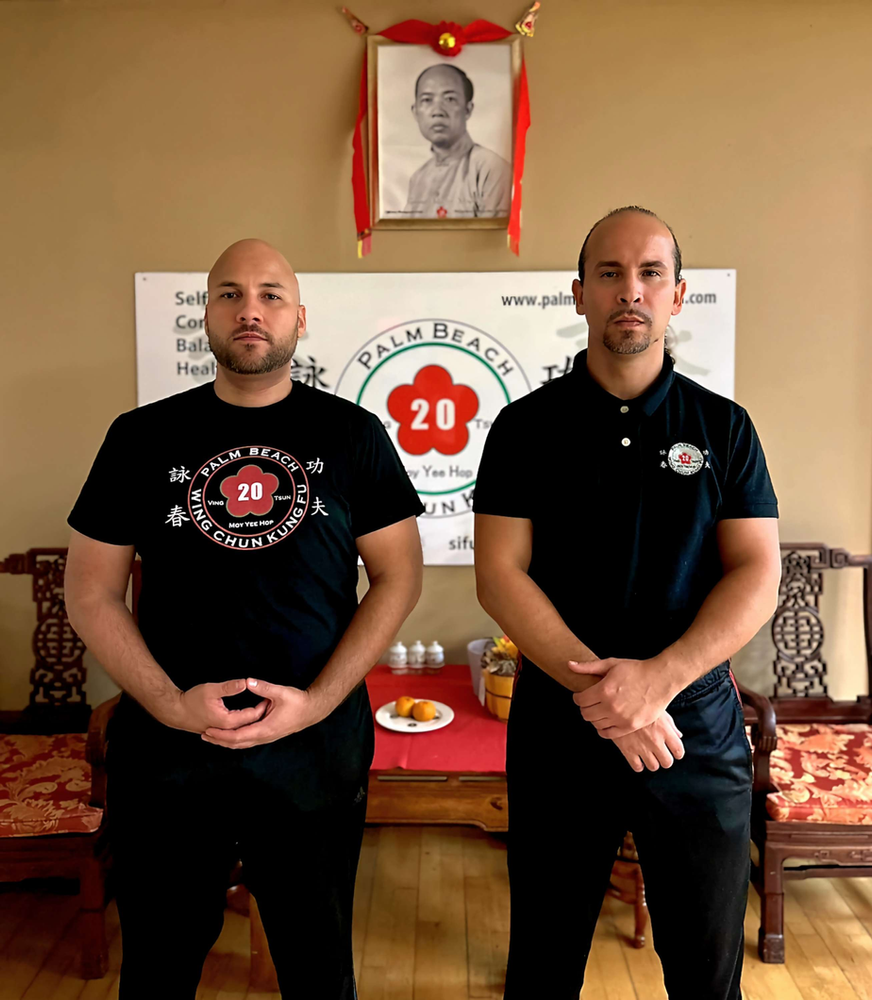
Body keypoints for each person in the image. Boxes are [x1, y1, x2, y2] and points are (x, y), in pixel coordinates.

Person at [65, 239, 424, 999]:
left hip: (313, 749)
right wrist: (169, 705)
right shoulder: (140, 436)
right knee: (157, 967)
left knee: (318, 968)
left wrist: (319, 703)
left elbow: (398, 578)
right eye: (229, 294)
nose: (249, 309)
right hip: (169, 753)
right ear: (207, 316)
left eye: (269, 294)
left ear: (299, 318)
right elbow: (90, 592)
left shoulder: (353, 436)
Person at [474, 206, 781, 1000]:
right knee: (542, 965)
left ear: (678, 296)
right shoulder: (523, 429)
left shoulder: (724, 429)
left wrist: (658, 682)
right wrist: (608, 695)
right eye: (609, 274)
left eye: (650, 274)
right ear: (579, 294)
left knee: (707, 972)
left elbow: (755, 574)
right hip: (561, 723)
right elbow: (500, 575)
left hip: (696, 726)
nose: (630, 291)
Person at [403, 63, 511, 219]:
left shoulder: (491, 169)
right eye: (427, 100)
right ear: (415, 112)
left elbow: (492, 239)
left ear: (467, 110)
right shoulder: (419, 178)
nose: (438, 112)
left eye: (450, 99)